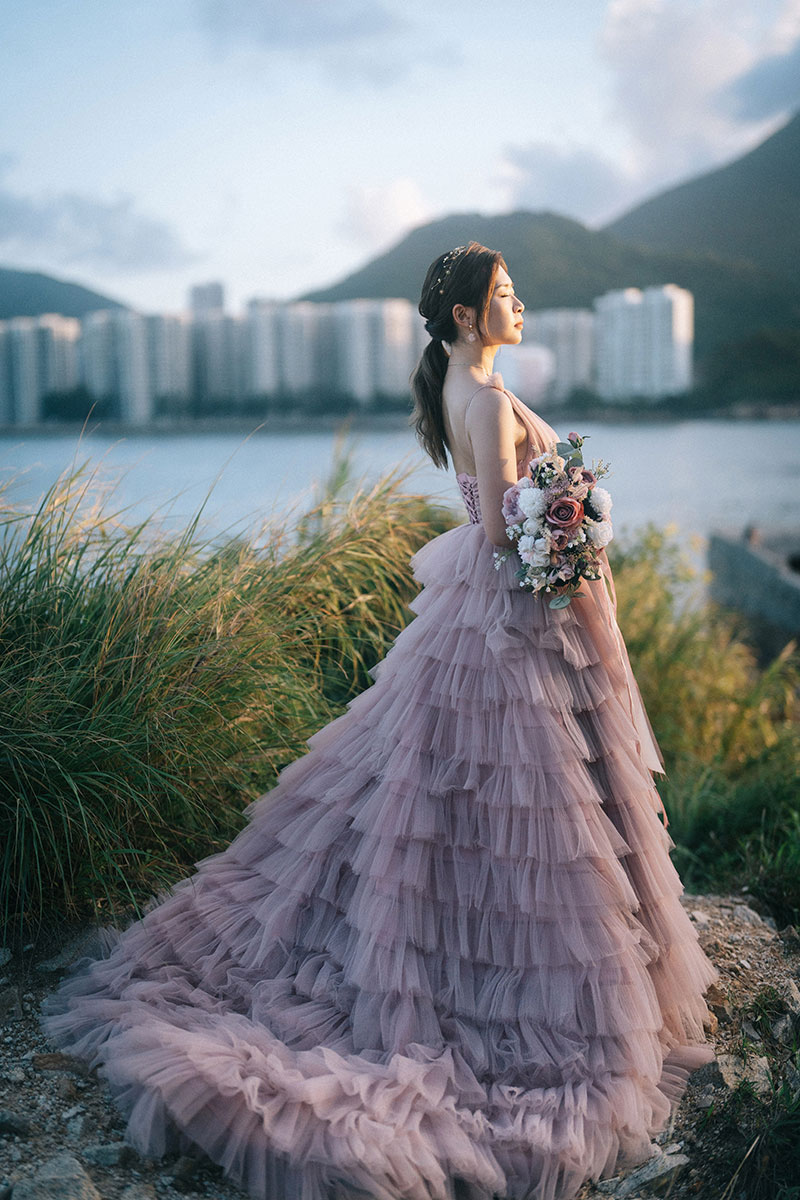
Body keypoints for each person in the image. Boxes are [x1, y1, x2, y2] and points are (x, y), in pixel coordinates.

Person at [41, 241, 718, 1200]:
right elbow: (496, 531)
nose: (519, 303)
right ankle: (510, 1004)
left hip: (493, 613)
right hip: (510, 616)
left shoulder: (467, 384)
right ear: (465, 316)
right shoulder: (482, 399)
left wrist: (563, 511)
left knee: (474, 797)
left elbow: (500, 506)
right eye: (504, 294)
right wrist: (569, 521)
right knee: (530, 808)